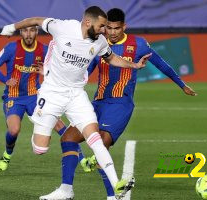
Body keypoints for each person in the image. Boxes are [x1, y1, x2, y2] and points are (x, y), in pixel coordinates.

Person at [0, 6, 151, 199]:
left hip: (76, 95)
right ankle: (39, 117)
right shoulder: (63, 28)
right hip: (52, 93)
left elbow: (112, 58)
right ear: (88, 22)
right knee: (40, 149)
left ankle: (116, 186)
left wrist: (134, 65)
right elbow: (36, 20)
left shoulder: (100, 42)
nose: (104, 30)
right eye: (102, 26)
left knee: (94, 138)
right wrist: (12, 27)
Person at [46, 8, 197, 200]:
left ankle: (111, 196)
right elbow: (85, 68)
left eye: (116, 28)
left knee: (101, 144)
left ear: (124, 27)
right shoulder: (98, 43)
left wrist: (181, 84)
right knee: (67, 138)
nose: (112, 32)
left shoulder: (138, 44)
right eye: (108, 28)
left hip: (120, 103)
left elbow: (161, 64)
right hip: (98, 102)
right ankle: (66, 190)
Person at [0, 26, 89, 171]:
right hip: (14, 97)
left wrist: (47, 72)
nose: (28, 34)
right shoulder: (11, 48)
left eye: (31, 30)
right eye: (25, 31)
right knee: (14, 130)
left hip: (35, 96)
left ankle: (83, 160)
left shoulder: (45, 50)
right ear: (20, 32)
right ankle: (7, 155)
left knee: (59, 125)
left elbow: (58, 68)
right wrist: (6, 80)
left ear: (37, 32)